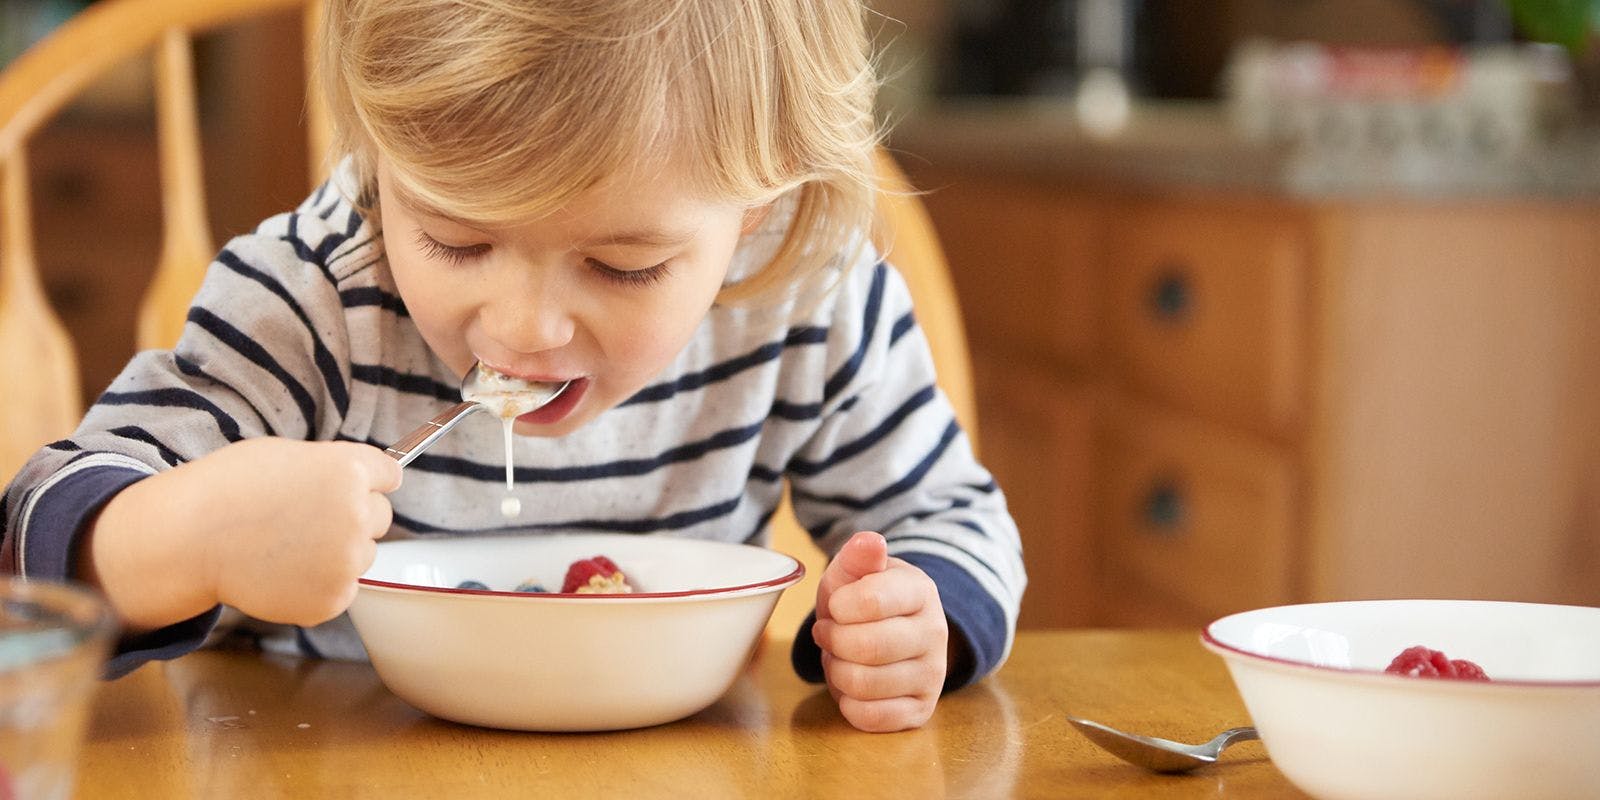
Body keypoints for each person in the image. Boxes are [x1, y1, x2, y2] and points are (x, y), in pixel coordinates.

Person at [0, 0, 1025, 733]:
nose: (527, 326)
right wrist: (195, 533)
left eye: (623, 264)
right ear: (380, 169)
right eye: (453, 242)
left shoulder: (808, 292)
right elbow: (30, 551)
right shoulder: (313, 297)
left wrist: (908, 614)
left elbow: (952, 517)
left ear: (754, 207)